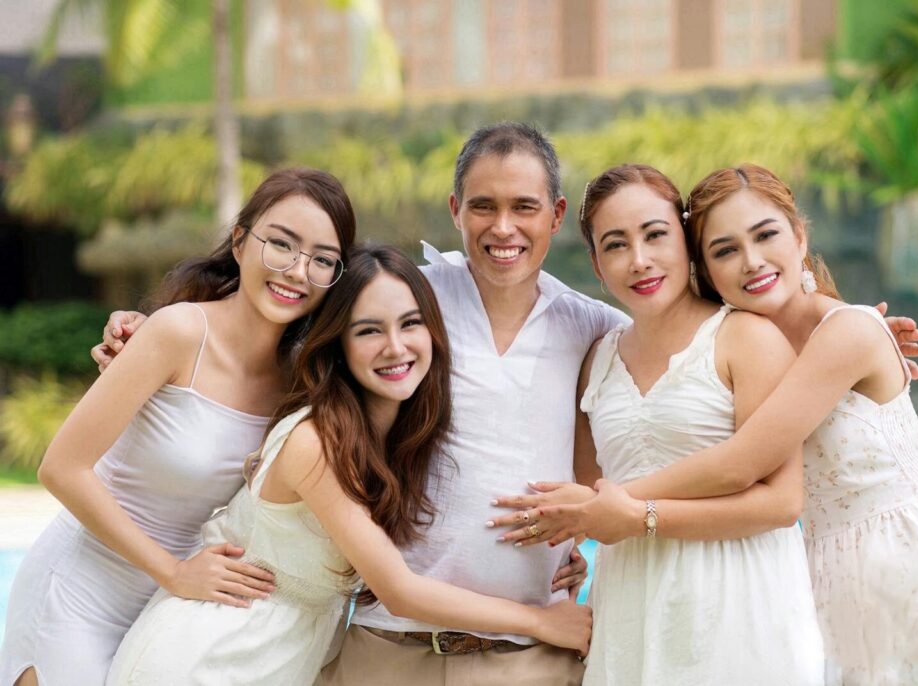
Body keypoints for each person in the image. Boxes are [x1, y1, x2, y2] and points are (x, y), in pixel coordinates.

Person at [94, 122, 626, 686]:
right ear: (454, 209)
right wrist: (153, 336)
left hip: (523, 656)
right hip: (384, 644)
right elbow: (282, 314)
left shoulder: (593, 328)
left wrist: (590, 517)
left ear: (557, 213)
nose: (503, 227)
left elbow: (660, 408)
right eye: (482, 206)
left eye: (524, 207)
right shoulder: (409, 296)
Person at [505, 164, 918, 685]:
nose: (751, 262)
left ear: (799, 235)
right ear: (703, 263)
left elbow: (745, 461)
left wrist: (609, 507)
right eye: (725, 250)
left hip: (910, 549)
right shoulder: (767, 337)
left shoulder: (843, 333)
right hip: (830, 561)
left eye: (766, 235)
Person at [0, 168, 357, 686]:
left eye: (322, 260)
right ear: (239, 241)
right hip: (81, 589)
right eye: (281, 244)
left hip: (173, 605)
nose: (298, 272)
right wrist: (172, 571)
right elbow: (61, 468)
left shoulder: (300, 378)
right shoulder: (177, 332)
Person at [492, 164, 825, 684]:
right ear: (597, 265)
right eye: (616, 245)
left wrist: (635, 516)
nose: (640, 261)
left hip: (738, 605)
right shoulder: (598, 359)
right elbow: (590, 491)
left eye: (655, 235)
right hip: (631, 608)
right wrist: (572, 547)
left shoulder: (744, 338)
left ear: (687, 242)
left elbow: (781, 504)